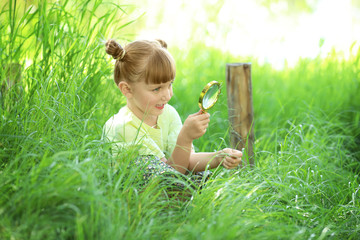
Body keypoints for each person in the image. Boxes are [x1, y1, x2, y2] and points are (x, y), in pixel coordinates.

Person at [103, 38, 243, 184]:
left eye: (170, 85)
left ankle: (186, 202)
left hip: (167, 182)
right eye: (156, 89)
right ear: (127, 89)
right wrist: (186, 137)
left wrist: (218, 157)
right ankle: (183, 200)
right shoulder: (124, 127)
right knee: (156, 170)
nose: (167, 95)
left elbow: (185, 161)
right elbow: (167, 177)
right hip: (135, 195)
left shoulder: (168, 114)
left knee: (198, 172)